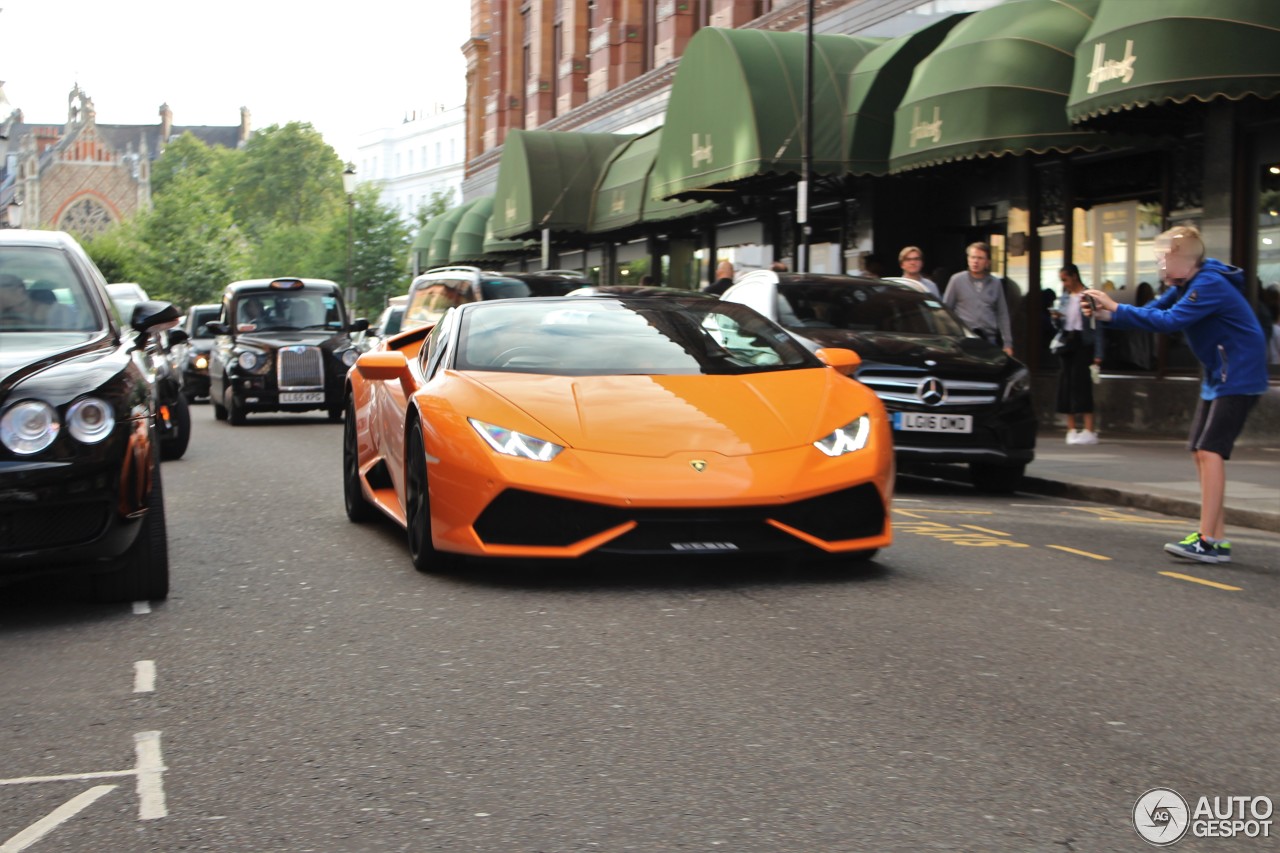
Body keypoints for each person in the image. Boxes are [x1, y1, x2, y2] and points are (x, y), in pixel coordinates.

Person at [1083, 225, 1268, 564]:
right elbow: (1155, 311)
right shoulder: (1186, 283)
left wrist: (1115, 308)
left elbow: (1169, 322)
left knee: (1210, 450)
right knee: (1199, 450)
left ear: (1184, 259)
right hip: (1219, 373)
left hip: (1239, 373)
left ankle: (1209, 540)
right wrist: (1105, 313)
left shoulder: (1208, 284)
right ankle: (1216, 538)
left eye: (1163, 259)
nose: (1160, 266)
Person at [1050, 264, 1104, 445]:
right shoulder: (1065, 297)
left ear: (1074, 277)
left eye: (1065, 279)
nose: (1064, 284)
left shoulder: (1088, 295)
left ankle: (1089, 429)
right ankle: (1071, 429)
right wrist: (1056, 318)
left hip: (1083, 343)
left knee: (1082, 384)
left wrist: (1098, 352)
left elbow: (1098, 326)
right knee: (1066, 384)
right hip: (1067, 341)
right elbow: (1061, 325)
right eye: (1062, 280)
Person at [943, 242, 1013, 356]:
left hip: (988, 339)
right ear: (968, 259)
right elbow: (946, 311)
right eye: (972, 257)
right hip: (963, 339)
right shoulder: (957, 280)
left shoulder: (995, 283)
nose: (975, 261)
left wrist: (1008, 343)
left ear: (987, 262)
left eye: (980, 258)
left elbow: (1002, 314)